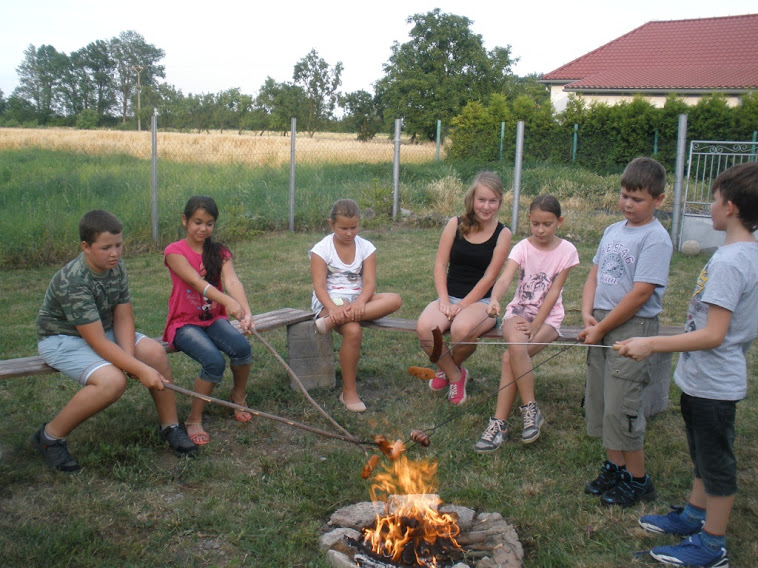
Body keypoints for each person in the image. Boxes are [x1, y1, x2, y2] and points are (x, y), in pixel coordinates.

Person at [617, 162, 758, 567]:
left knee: (716, 465)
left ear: (730, 207)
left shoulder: (731, 262)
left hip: (715, 384)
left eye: (713, 200)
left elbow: (714, 334)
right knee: (701, 454)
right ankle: (695, 515)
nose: (709, 207)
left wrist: (651, 344)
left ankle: (712, 545)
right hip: (702, 380)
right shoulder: (738, 253)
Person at [33, 210, 198, 472]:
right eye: (106, 247)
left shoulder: (115, 266)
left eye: (118, 245)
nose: (115, 253)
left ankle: (171, 427)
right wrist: (138, 369)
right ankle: (50, 437)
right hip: (62, 339)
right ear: (85, 247)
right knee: (113, 381)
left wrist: (131, 359)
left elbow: (122, 316)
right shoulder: (73, 281)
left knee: (154, 353)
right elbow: (97, 341)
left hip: (102, 328)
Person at [578, 156, 673, 507]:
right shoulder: (612, 231)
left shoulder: (656, 238)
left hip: (633, 326)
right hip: (602, 322)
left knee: (624, 403)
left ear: (659, 200)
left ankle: (637, 479)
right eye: (624, 196)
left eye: (638, 199)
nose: (628, 204)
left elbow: (641, 294)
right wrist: (587, 315)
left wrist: (603, 326)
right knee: (604, 400)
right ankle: (615, 467)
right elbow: (594, 276)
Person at [475, 195, 579, 451]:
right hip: (519, 312)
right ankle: (530, 409)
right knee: (515, 350)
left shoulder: (567, 251)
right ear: (529, 220)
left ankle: (499, 424)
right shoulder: (521, 247)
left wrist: (536, 325)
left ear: (560, 222)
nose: (540, 230)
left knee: (509, 358)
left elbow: (553, 293)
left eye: (547, 224)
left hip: (549, 318)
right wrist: (495, 298)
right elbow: (504, 279)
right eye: (535, 224)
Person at [164, 196, 255, 446]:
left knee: (242, 349)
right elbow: (196, 282)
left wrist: (246, 312)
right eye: (197, 222)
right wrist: (227, 301)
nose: (203, 228)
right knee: (214, 361)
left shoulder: (220, 252)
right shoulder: (174, 252)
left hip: (213, 319)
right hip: (184, 323)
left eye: (209, 223)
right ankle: (194, 418)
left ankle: (237, 396)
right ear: (185, 221)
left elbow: (232, 281)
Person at [414, 171, 512, 405]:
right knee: (425, 328)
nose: (486, 206)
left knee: (461, 329)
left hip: (482, 302)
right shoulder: (455, 224)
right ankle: (456, 375)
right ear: (472, 199)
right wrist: (444, 300)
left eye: (493, 201)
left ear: (500, 202)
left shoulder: (503, 234)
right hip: (449, 296)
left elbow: (489, 277)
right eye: (482, 200)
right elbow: (440, 264)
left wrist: (463, 305)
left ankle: (448, 369)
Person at [310, 198, 402, 412]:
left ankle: (331, 322)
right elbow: (319, 287)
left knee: (394, 299)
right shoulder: (321, 249)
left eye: (354, 227)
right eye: (343, 228)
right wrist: (333, 308)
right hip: (331, 300)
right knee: (353, 331)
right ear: (331, 224)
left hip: (359, 299)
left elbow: (369, 283)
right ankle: (349, 392)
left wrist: (360, 302)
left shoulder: (366, 247)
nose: (349, 233)